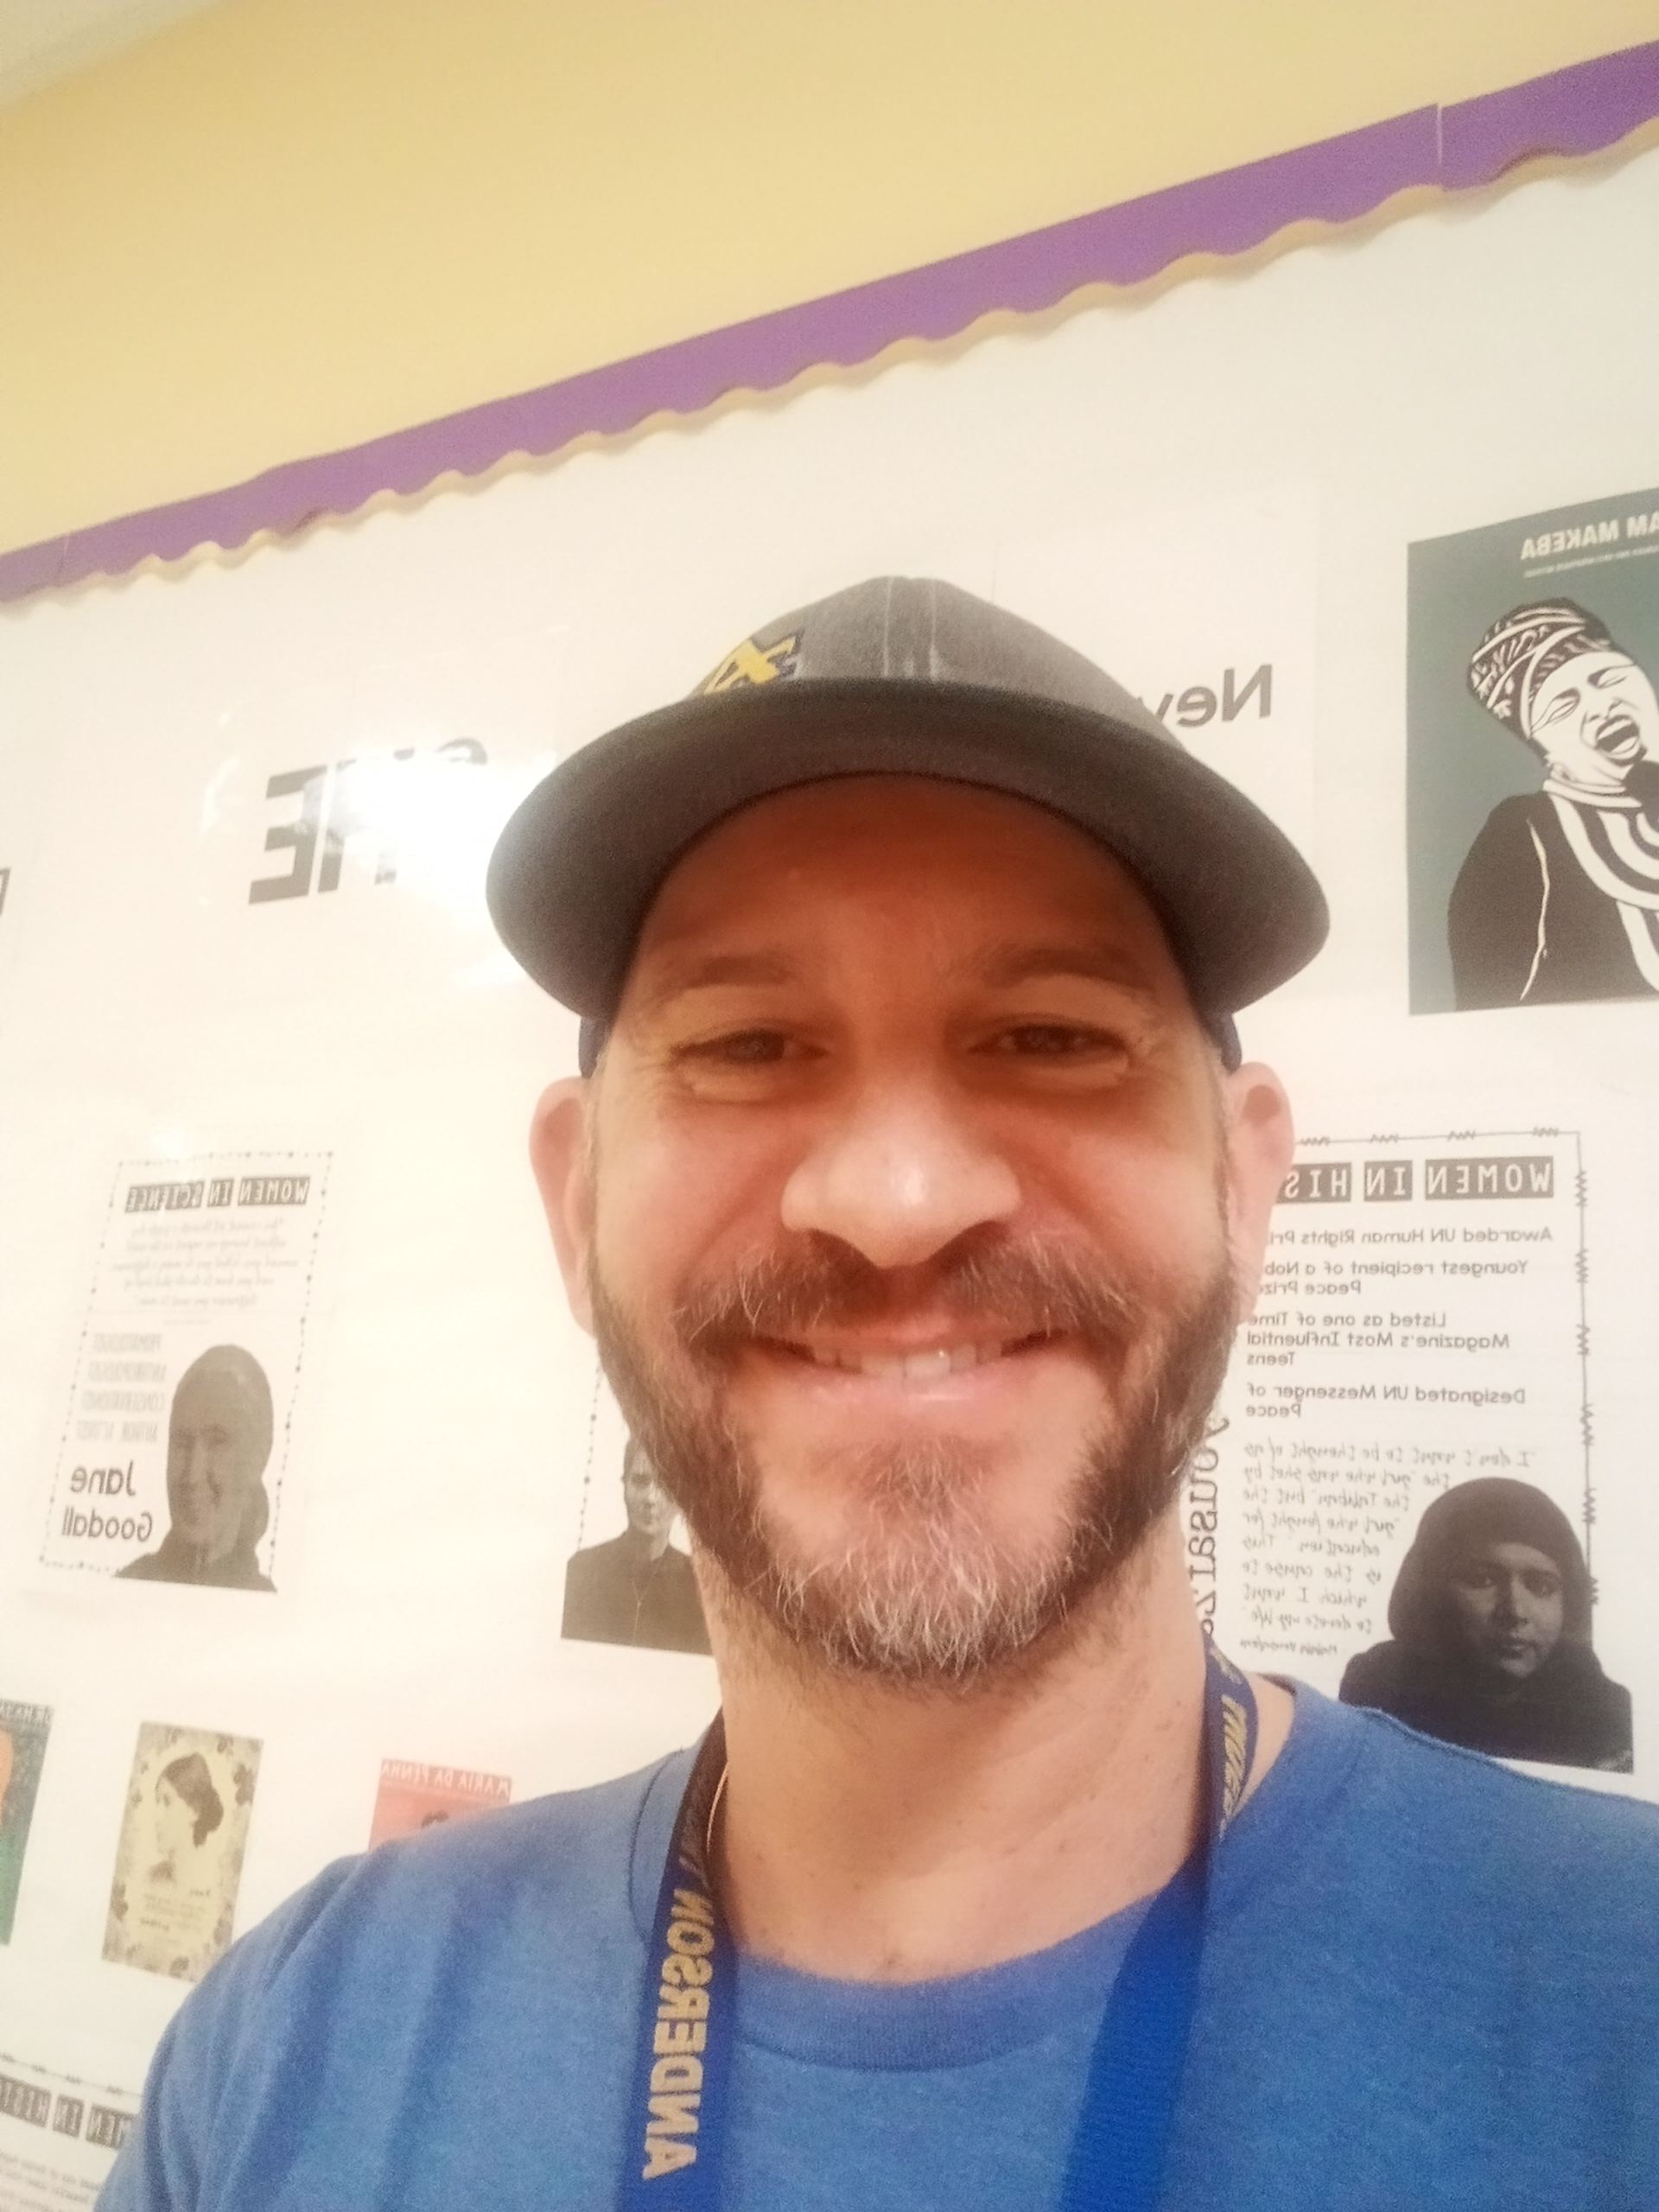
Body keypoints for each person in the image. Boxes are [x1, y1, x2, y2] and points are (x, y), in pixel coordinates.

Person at [101, 578, 1659, 2212]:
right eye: (750, 1046)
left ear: (1244, 1189)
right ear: (575, 1206)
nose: (900, 1197)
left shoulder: (1614, 2011)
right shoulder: (294, 2045)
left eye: (1053, 1035)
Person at [1338, 1476, 1632, 1771]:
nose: (1515, 1611)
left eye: (1541, 1587)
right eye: (1483, 1580)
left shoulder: (1601, 1713)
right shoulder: (1380, 1688)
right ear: (1431, 1590)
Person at [1448, 599, 1659, 1007]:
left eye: (1607, 678)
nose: (1601, 707)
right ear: (1543, 750)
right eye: (1564, 705)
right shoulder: (1522, 834)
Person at [118, 1347, 276, 1592]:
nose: (192, 1475)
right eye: (181, 1443)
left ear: (258, 1456)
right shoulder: (129, 1584)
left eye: (217, 1442)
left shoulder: (267, 1606)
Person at [561, 1437, 711, 1654]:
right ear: (624, 1486)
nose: (651, 1498)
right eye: (640, 1481)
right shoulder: (583, 1571)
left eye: (666, 1484)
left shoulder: (701, 1588)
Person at [149, 1754, 226, 1884]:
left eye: (168, 1802)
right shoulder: (151, 1877)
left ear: (194, 1811)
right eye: (157, 1802)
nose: (157, 1818)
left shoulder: (211, 1880)